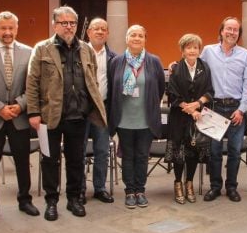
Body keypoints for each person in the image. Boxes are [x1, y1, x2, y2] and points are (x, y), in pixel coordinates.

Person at [26, 6, 106, 221]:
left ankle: (74, 199)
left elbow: (93, 80)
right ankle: (51, 201)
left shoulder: (86, 50)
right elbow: (32, 82)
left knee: (76, 160)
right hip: (49, 116)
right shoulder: (42, 49)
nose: (69, 27)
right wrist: (33, 112)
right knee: (49, 160)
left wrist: (91, 107)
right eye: (64, 23)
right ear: (55, 25)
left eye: (72, 23)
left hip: (78, 116)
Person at [0, 11, 39, 221]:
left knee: (22, 161)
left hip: (19, 117)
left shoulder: (28, 53)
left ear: (17, 29)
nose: (7, 32)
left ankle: (25, 200)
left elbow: (33, 84)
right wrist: (0, 108)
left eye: (11, 28)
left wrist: (19, 106)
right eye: (3, 28)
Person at [108, 24, 165, 209]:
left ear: (145, 39)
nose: (137, 38)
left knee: (141, 156)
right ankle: (129, 191)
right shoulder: (117, 62)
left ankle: (140, 190)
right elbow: (111, 88)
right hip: (124, 119)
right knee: (127, 156)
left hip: (145, 119)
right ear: (126, 39)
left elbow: (160, 87)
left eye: (140, 35)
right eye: (133, 35)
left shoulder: (154, 61)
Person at [200, 17, 247, 202]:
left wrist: (242, 110)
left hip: (235, 108)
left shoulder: (245, 54)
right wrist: (176, 65)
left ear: (239, 34)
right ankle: (215, 187)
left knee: (234, 151)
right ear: (221, 31)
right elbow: (194, 67)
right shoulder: (207, 51)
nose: (231, 32)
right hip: (214, 108)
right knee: (214, 151)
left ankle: (231, 187)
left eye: (235, 30)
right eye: (228, 29)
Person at [166, 34, 213, 204]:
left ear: (199, 50)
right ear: (183, 50)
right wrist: (191, 110)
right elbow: (172, 95)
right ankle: (178, 183)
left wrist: (198, 104)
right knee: (179, 152)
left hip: (198, 117)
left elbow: (210, 92)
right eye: (189, 47)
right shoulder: (176, 68)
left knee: (193, 151)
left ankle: (189, 183)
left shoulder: (205, 67)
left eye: (195, 47)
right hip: (180, 117)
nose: (192, 50)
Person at [80, 18, 116, 205]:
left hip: (102, 110)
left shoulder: (113, 57)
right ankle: (79, 189)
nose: (100, 32)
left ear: (107, 33)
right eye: (96, 29)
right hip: (81, 111)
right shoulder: (78, 52)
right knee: (78, 150)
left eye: (103, 29)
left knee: (102, 150)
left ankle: (100, 188)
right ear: (89, 32)